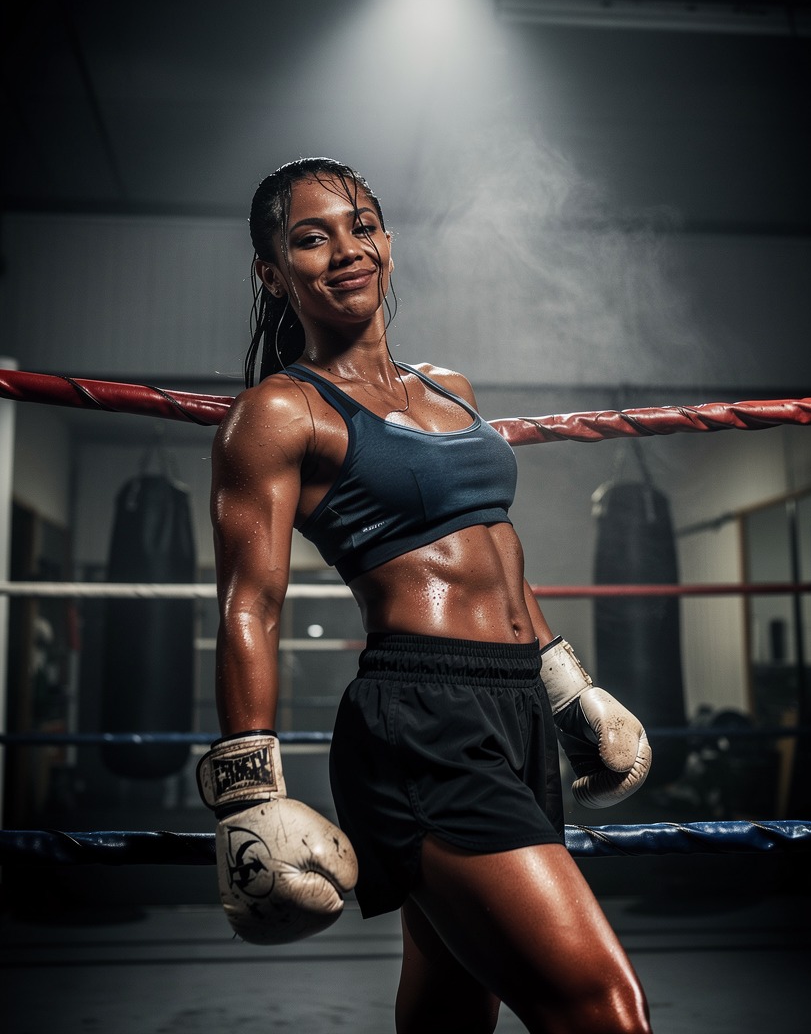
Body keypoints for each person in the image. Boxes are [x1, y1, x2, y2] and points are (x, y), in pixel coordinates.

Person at [197, 157, 653, 1034]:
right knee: (605, 1010)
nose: (346, 250)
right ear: (273, 273)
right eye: (311, 238)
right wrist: (249, 796)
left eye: (362, 226)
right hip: (421, 722)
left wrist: (569, 693)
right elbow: (249, 605)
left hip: (516, 709)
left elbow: (498, 551)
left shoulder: (453, 390)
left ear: (389, 243)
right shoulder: (282, 412)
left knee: (453, 1009)